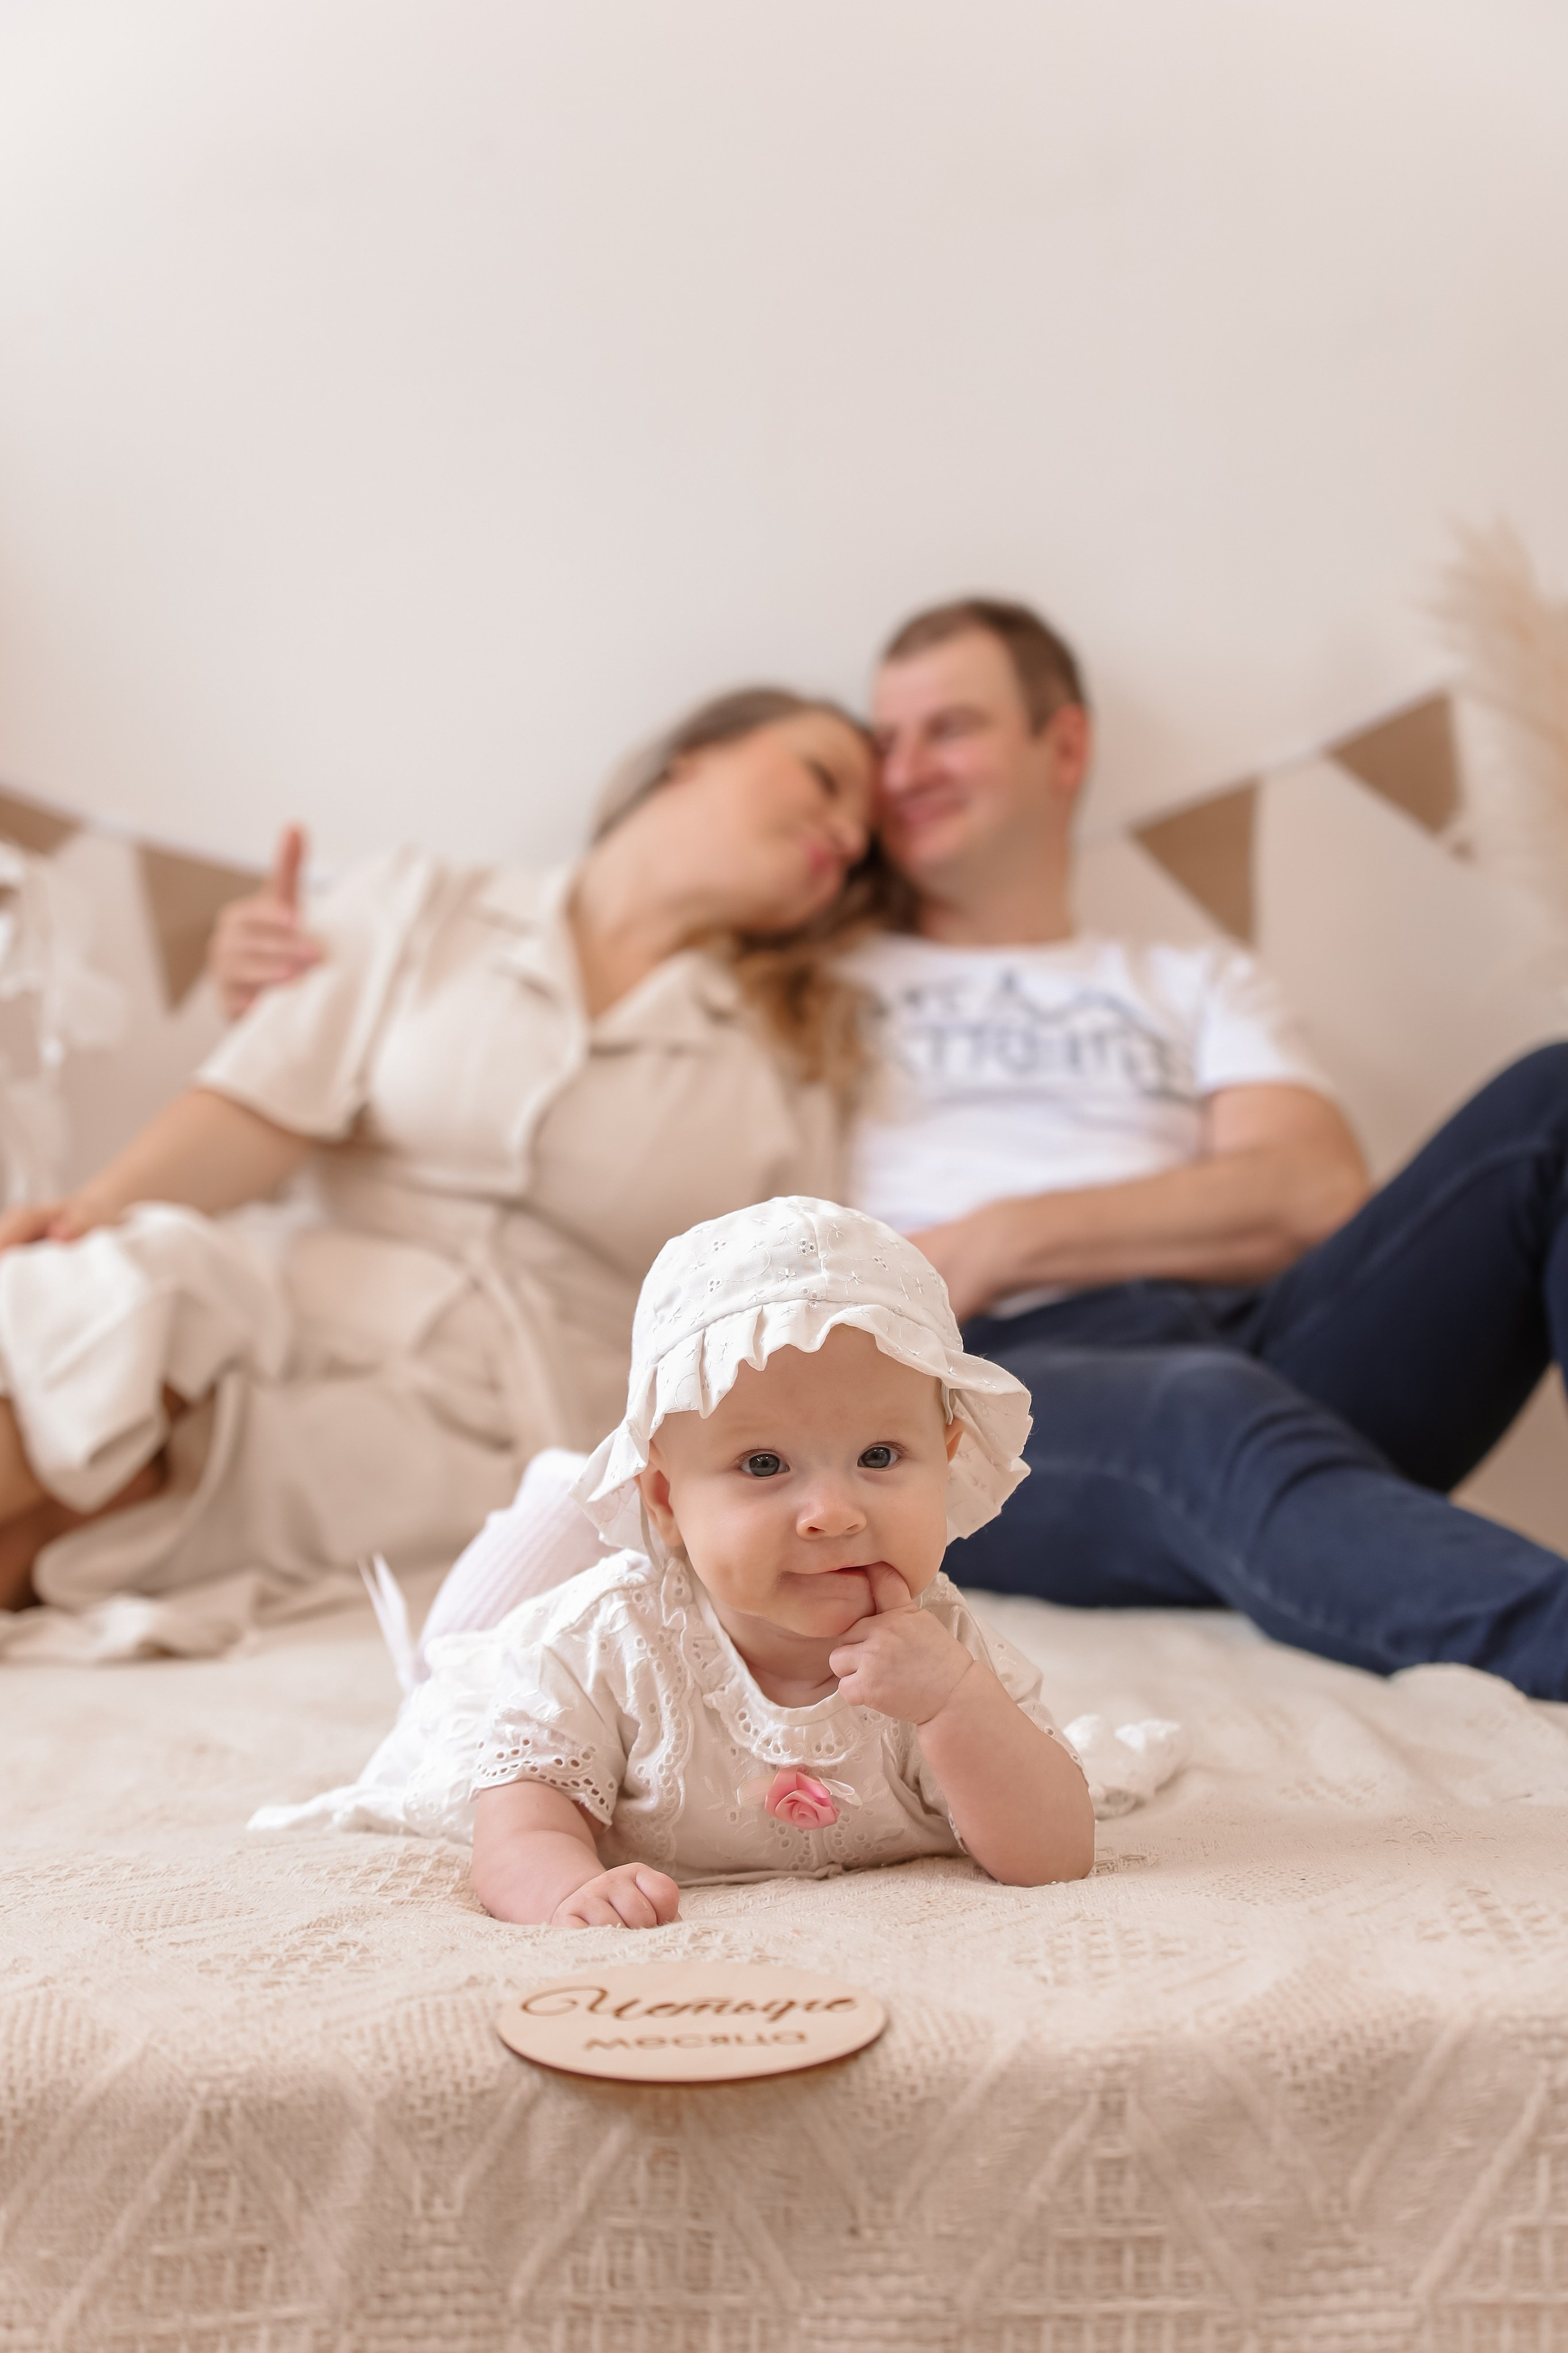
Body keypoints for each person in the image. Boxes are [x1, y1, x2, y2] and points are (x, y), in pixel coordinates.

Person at [0, 690, 883, 1647]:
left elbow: (778, 1311)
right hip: (296, 1277)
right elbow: (264, 1101)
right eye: (825, 779)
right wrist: (93, 1209)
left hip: (502, 1411)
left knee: (168, 1495)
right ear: (693, 758)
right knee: (133, 1284)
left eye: (865, 838)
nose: (843, 832)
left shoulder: (800, 1056)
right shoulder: (424, 899)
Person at [254, 1198, 1097, 1920]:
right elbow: (520, 1822)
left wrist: (955, 1705)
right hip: (520, 1658)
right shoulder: (603, 1644)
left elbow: (1054, 1852)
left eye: (880, 1456)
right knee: (445, 1672)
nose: (834, 1513)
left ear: (947, 1458)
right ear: (662, 1496)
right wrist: (569, 1891)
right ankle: (556, 1505)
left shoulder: (943, 1651)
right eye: (764, 1465)